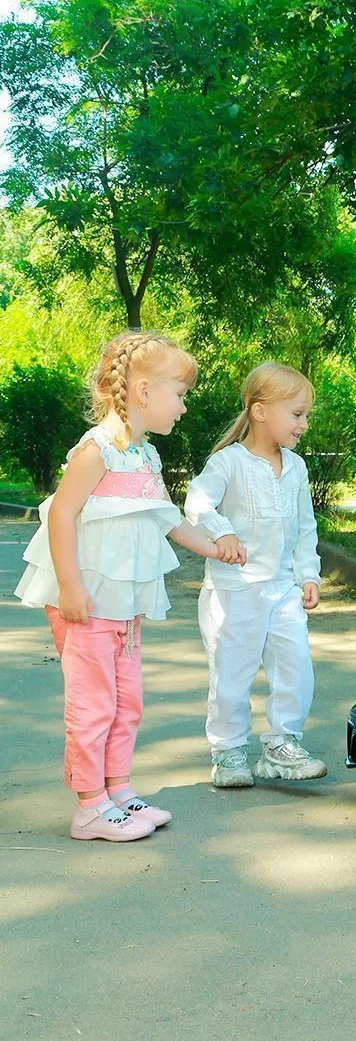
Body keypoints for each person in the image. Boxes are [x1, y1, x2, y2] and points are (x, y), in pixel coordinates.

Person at [14, 330, 235, 842]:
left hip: (123, 602)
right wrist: (70, 586)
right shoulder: (96, 450)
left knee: (126, 700)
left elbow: (166, 518)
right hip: (88, 600)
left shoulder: (145, 456)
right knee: (93, 703)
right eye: (179, 394)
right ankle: (90, 806)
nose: (183, 406)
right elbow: (61, 516)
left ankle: (117, 790)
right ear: (143, 391)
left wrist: (213, 546)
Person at [184, 362, 326, 788]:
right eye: (297, 414)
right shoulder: (229, 462)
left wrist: (309, 575)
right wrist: (222, 531)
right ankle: (228, 752)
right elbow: (197, 503)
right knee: (232, 674)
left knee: (296, 667)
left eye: (305, 415)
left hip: (282, 589)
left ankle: (281, 745)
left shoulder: (296, 467)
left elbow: (304, 528)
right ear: (261, 411)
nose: (304, 424)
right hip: (235, 592)